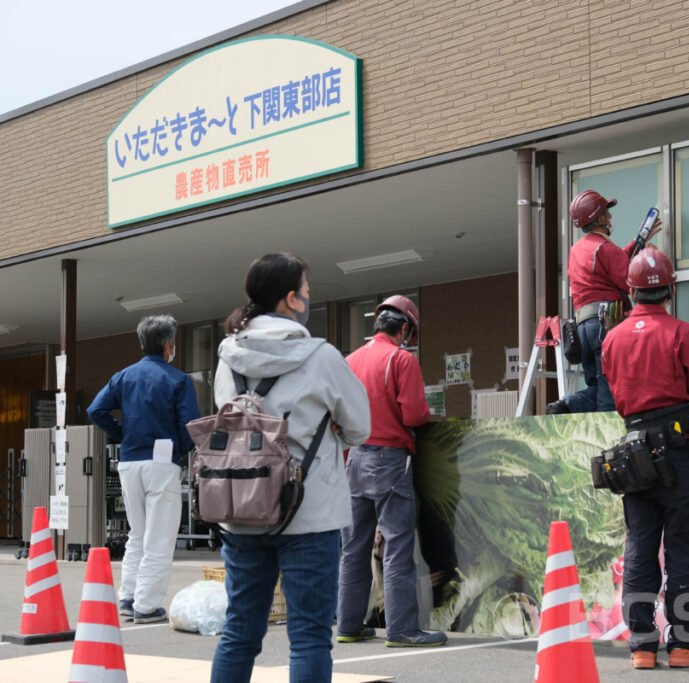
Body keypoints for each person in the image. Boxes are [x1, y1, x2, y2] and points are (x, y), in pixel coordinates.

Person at [209, 253, 371, 682]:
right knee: (310, 637)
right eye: (306, 293)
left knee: (239, 631)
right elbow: (359, 428)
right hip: (308, 514)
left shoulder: (228, 357)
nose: (308, 299)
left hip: (240, 508)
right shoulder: (321, 357)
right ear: (290, 300)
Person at [600, 247, 689, 670]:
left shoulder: (612, 338)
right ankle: (686, 645)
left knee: (639, 545)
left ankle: (642, 646)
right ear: (669, 289)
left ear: (632, 291)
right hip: (678, 449)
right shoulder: (682, 333)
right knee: (684, 543)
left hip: (635, 452)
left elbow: (618, 398)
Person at [336, 295, 448, 648]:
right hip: (390, 461)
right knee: (398, 546)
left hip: (354, 459)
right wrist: (428, 412)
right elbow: (414, 415)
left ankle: (349, 625)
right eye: (410, 334)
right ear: (404, 329)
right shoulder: (401, 360)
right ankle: (402, 630)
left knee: (353, 548)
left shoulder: (349, 361)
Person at [87, 315, 201, 624]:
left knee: (136, 534)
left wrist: (122, 433)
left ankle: (128, 597)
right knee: (159, 536)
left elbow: (95, 410)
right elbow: (190, 425)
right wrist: (178, 450)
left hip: (129, 461)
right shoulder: (178, 380)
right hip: (161, 463)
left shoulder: (123, 376)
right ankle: (147, 606)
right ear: (168, 346)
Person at [547, 189, 660, 415]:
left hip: (583, 328)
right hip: (607, 325)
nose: (610, 218)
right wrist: (649, 260)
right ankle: (608, 437)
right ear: (599, 219)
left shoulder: (577, 249)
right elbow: (629, 279)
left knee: (598, 385)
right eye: (607, 214)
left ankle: (569, 405)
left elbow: (611, 264)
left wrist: (638, 242)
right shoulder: (605, 248)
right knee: (612, 387)